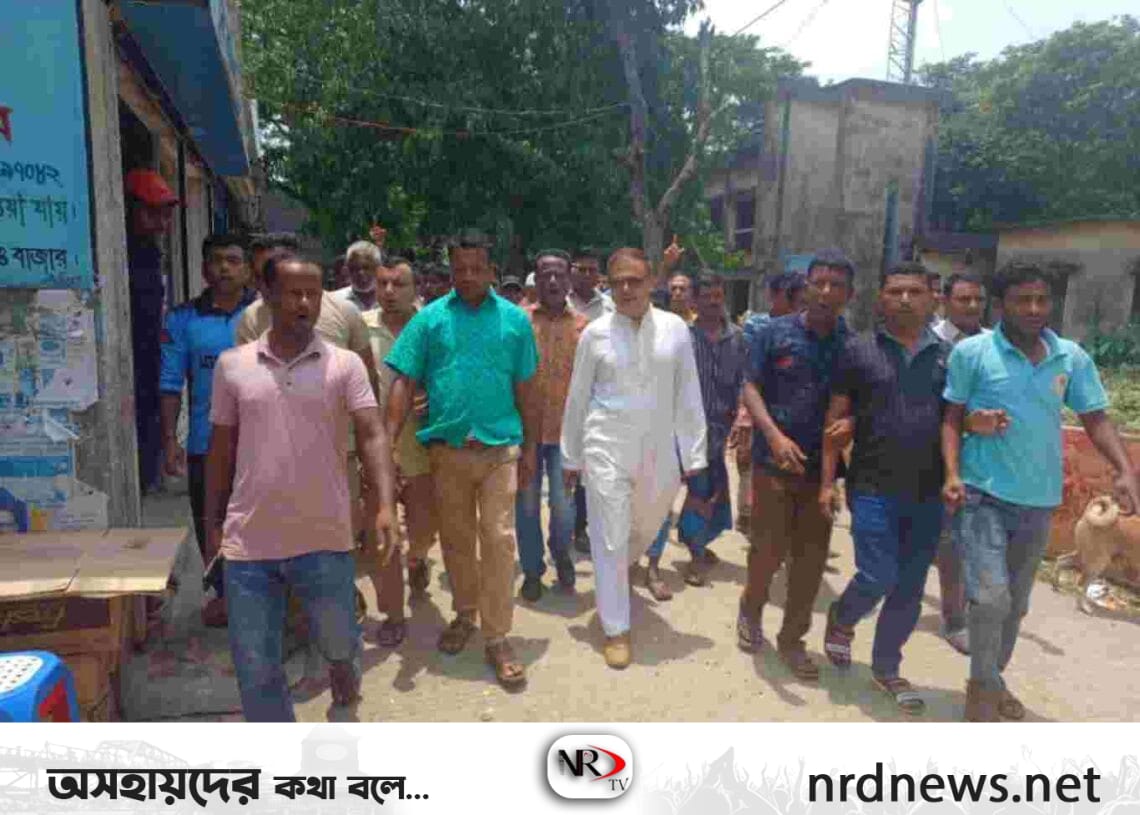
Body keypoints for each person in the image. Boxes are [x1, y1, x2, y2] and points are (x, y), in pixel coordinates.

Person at [942, 260, 1140, 722]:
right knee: (990, 598)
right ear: (1000, 304)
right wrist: (952, 471)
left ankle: (990, 680)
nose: (1033, 309)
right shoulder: (972, 353)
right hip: (982, 495)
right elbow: (950, 417)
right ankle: (982, 691)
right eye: (1022, 300)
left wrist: (1123, 469)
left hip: (1038, 500)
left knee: (1014, 607)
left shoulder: (1070, 357)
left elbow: (1094, 417)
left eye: (1042, 300)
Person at [204, 253, 397, 722]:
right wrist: (212, 524)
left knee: (338, 639)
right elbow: (221, 450)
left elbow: (372, 433)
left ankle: (343, 673)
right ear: (267, 296)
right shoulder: (233, 366)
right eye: (294, 293)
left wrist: (384, 504)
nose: (306, 303)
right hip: (250, 541)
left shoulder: (344, 365)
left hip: (325, 536)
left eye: (314, 293)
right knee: (256, 666)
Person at [385, 231, 539, 690]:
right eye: (460, 269)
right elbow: (403, 381)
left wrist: (531, 449)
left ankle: (497, 636)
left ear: (492, 271)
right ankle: (466, 614)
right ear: (450, 271)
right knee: (456, 540)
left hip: (499, 449)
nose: (468, 277)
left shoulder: (515, 321)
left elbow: (528, 389)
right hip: (447, 451)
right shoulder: (429, 320)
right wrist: (386, 444)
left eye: (477, 269)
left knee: (498, 538)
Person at [561, 248, 707, 669]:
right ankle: (616, 628)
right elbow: (578, 397)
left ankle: (619, 570)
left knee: (644, 527)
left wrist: (694, 454)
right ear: (608, 285)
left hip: (659, 451)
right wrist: (571, 456)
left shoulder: (675, 330)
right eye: (618, 282)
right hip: (605, 445)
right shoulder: (595, 334)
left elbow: (688, 391)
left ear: (651, 283)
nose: (626, 289)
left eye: (635, 281)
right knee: (609, 536)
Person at [818, 262, 949, 715]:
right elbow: (834, 420)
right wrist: (826, 483)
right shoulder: (858, 351)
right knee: (878, 574)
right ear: (880, 299)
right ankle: (842, 617)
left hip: (929, 492)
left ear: (932, 299)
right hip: (872, 485)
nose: (905, 299)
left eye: (915, 291)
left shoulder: (950, 357)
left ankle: (887, 667)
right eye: (896, 291)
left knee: (910, 587)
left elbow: (955, 421)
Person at [736, 249, 852, 681]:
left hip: (822, 473)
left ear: (849, 294)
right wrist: (772, 435)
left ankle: (792, 639)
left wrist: (850, 428)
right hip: (773, 464)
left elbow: (862, 400)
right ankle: (750, 609)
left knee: (810, 561)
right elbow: (750, 387)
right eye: (818, 282)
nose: (825, 292)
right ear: (806, 287)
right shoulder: (775, 333)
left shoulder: (851, 345)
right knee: (767, 551)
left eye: (836, 285)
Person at [159, 232, 256, 572]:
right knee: (211, 532)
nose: (224, 268)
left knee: (261, 533)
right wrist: (170, 440)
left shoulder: (266, 315)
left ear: (248, 269)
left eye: (233, 261)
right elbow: (170, 384)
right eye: (217, 261)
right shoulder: (182, 319)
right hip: (205, 445)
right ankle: (219, 590)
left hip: (262, 443)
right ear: (204, 269)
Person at [645, 273, 747, 588]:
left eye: (718, 295)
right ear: (694, 301)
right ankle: (653, 565)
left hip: (715, 435)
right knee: (663, 498)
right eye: (706, 296)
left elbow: (744, 382)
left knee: (704, 498)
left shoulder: (738, 339)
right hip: (676, 432)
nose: (713, 302)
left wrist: (742, 415)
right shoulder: (681, 337)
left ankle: (696, 555)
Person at [360, 259, 440, 646]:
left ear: (416, 288)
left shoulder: (434, 326)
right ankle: (393, 613)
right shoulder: (360, 327)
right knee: (381, 532)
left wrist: (434, 399)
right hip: (375, 450)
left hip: (423, 447)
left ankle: (418, 558)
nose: (389, 292)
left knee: (424, 528)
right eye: (383, 284)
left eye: (399, 284)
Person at [516, 251, 587, 601]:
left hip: (566, 434)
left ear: (569, 279)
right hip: (525, 433)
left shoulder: (585, 327)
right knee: (527, 506)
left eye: (560, 274)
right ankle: (532, 571)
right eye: (546, 274)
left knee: (563, 507)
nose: (553, 281)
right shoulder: (519, 321)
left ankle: (561, 554)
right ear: (536, 280)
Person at [930, 272, 990, 655]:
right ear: (945, 301)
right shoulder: (928, 340)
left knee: (963, 541)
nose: (971, 306)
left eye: (978, 300)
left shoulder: (993, 344)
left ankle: (959, 616)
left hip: (978, 457)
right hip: (928, 453)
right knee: (937, 538)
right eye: (963, 299)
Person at [732, 271, 807, 534]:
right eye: (794, 299)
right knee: (748, 460)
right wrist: (744, 412)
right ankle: (747, 516)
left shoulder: (809, 329)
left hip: (790, 410)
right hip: (756, 405)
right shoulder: (757, 326)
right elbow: (746, 373)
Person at [125, 168, 179, 496]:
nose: (161, 223)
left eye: (165, 215)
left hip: (150, 360)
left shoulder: (152, 252)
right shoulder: (122, 254)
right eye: (152, 213)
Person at [568, 248, 616, 553]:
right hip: (560, 395)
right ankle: (561, 526)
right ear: (571, 271)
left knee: (589, 466)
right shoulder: (559, 302)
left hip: (598, 396)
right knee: (563, 460)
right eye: (581, 269)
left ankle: (580, 527)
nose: (587, 275)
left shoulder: (610, 308)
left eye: (592, 270)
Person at [334, 241, 382, 313]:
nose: (361, 273)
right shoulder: (334, 302)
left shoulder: (395, 300)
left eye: (366, 267)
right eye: (354, 268)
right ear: (347, 270)